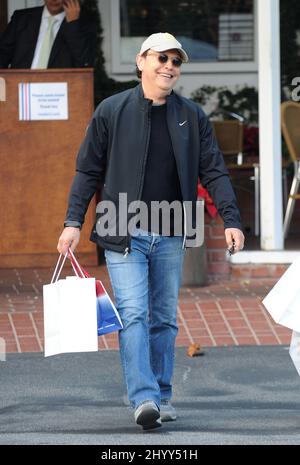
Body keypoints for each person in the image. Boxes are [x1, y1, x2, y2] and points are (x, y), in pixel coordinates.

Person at [57, 32, 245, 431]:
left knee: (163, 318)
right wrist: (73, 222)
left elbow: (213, 170)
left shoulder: (191, 116)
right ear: (142, 61)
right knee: (134, 314)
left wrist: (230, 219)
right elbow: (88, 170)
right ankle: (143, 399)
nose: (169, 67)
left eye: (176, 62)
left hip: (172, 231)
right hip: (122, 228)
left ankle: (161, 394)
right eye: (162, 58)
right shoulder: (112, 110)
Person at [0, 0, 96, 69]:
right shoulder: (21, 18)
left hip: (58, 93)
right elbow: (2, 55)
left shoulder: (83, 25)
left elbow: (85, 64)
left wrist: (73, 25)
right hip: (20, 89)